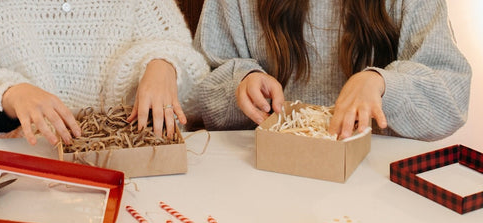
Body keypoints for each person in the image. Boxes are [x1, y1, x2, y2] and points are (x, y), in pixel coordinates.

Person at [0, 0, 208, 145]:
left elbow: (188, 69)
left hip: (130, 168)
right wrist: (11, 96)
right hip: (22, 175)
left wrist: (164, 64)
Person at [191, 0, 471, 141]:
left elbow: (452, 98)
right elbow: (198, 85)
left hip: (377, 188)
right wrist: (242, 82)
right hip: (267, 175)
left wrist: (382, 84)